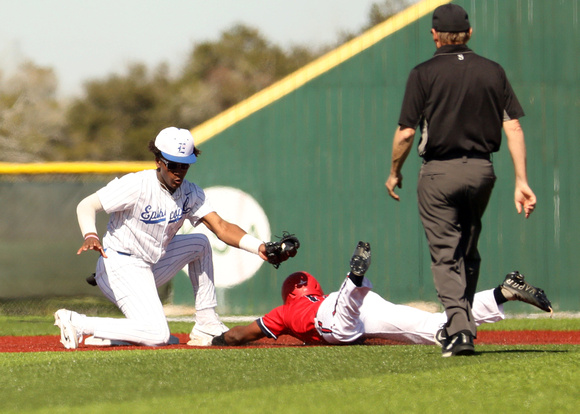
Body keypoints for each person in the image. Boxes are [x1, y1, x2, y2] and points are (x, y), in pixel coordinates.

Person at [54, 126, 295, 349]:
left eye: (184, 165)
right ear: (158, 161)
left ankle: (206, 324)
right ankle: (76, 321)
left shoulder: (190, 192)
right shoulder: (137, 184)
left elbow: (220, 226)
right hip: (119, 265)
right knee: (158, 334)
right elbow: (87, 205)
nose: (178, 171)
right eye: (173, 164)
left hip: (150, 265)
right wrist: (90, 234)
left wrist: (259, 247)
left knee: (199, 243)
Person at [384, 4, 537, 356]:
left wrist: (394, 172)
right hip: (483, 171)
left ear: (435, 35)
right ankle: (460, 325)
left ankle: (461, 330)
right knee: (467, 249)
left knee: (445, 254)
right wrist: (522, 180)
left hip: (439, 171)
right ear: (469, 33)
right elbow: (512, 125)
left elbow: (406, 133)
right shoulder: (492, 71)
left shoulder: (423, 73)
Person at [211, 242, 552, 354]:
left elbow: (241, 335)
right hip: (366, 308)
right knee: (438, 327)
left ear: (290, 293)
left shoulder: (285, 311)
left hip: (339, 313)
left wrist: (216, 341)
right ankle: (502, 292)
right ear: (311, 287)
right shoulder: (317, 295)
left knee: (340, 329)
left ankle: (355, 277)